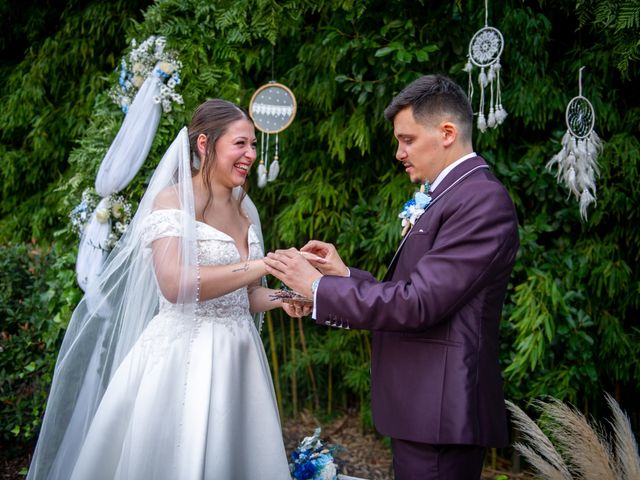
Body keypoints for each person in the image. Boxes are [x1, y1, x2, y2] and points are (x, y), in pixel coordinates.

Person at [28, 99, 309, 479]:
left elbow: (246, 296)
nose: (251, 155)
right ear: (205, 144)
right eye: (240, 144)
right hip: (183, 357)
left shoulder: (246, 210)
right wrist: (263, 264)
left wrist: (284, 297)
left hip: (238, 356)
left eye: (254, 145)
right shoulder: (172, 201)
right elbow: (176, 284)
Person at [264, 74, 520, 479]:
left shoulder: (480, 200)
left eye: (407, 139)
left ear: (447, 133)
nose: (399, 152)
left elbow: (417, 304)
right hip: (423, 409)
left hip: (440, 413)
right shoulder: (450, 194)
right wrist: (342, 275)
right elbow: (414, 291)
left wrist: (314, 285)